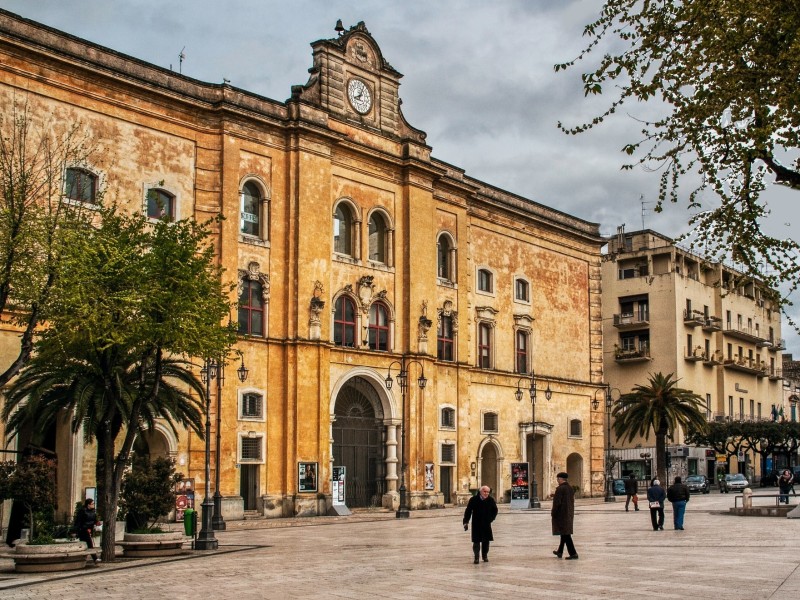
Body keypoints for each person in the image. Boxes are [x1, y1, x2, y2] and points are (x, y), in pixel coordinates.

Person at [463, 485, 498, 564]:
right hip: (476, 523)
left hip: (486, 523)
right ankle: (476, 557)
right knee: (476, 541)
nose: (486, 493)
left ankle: (485, 555)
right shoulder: (474, 500)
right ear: (480, 491)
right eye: (485, 492)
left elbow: (495, 511)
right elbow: (468, 511)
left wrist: (491, 519)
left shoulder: (490, 500)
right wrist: (466, 522)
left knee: (486, 541)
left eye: (488, 492)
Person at [551, 472, 578, 560]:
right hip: (568, 513)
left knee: (566, 535)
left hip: (561, 515)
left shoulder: (560, 489)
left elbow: (557, 503)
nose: (557, 480)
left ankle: (573, 553)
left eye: (558, 479)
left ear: (560, 479)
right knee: (564, 533)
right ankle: (560, 551)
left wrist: (553, 513)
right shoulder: (570, 488)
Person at [74, 498, 100, 564]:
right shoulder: (83, 511)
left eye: (93, 504)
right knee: (89, 544)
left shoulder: (93, 511)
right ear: (88, 505)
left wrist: (96, 522)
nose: (93, 505)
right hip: (83, 530)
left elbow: (93, 519)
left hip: (89, 529)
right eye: (92, 504)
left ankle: (83, 559)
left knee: (85, 545)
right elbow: (79, 521)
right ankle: (95, 558)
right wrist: (76, 530)